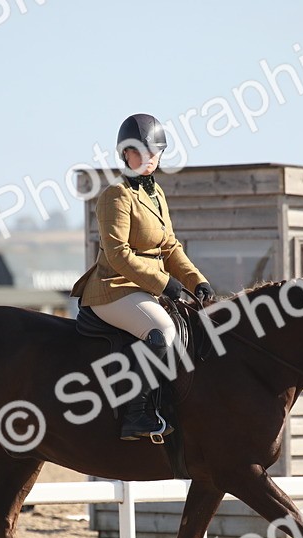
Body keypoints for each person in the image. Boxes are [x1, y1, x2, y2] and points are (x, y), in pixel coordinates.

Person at [71, 113, 215, 440]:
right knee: (162, 329)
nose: (151, 159)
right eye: (142, 151)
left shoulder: (156, 194)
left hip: (145, 289)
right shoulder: (115, 196)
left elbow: (169, 246)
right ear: (125, 153)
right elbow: (118, 254)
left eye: (156, 152)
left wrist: (197, 281)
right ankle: (136, 414)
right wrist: (164, 283)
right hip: (114, 289)